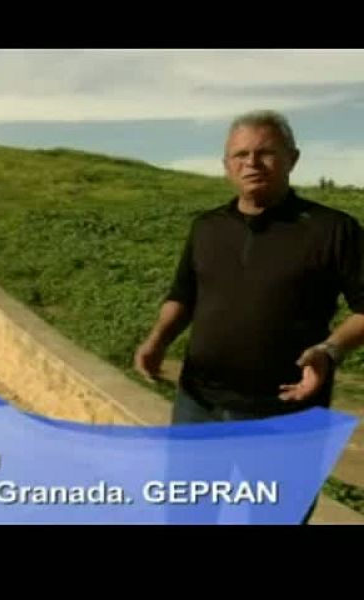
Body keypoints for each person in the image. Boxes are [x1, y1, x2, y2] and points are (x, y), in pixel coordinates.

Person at [134, 109, 364, 524]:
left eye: (265, 153)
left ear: (292, 158)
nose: (251, 164)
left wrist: (330, 350)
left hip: (284, 416)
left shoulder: (333, 229)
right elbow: (183, 295)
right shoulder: (207, 228)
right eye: (240, 155)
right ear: (226, 166)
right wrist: (156, 342)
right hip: (198, 406)